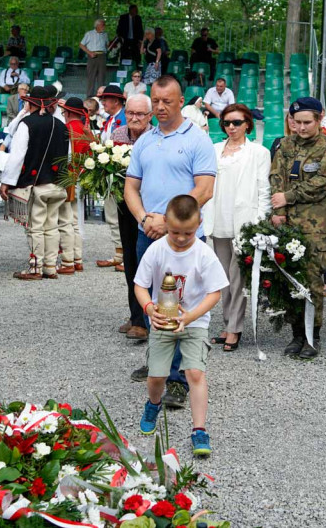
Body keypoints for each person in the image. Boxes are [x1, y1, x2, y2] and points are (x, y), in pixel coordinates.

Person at [124, 75, 217, 407]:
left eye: (167, 101)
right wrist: (144, 219)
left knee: (183, 302)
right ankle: (159, 363)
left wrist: (169, 220)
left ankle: (178, 378)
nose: (161, 107)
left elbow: (204, 189)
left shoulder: (197, 140)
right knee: (153, 299)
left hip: (183, 238)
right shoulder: (145, 141)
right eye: (156, 101)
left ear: (181, 102)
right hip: (147, 232)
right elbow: (131, 187)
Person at [134, 194, 227, 458]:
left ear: (199, 223)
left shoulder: (204, 254)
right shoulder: (156, 250)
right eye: (175, 232)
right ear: (165, 221)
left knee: (195, 373)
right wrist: (149, 308)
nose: (182, 238)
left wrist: (190, 317)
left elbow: (215, 293)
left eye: (188, 232)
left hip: (194, 322)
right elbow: (140, 285)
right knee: (157, 376)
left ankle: (199, 430)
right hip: (162, 321)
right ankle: (153, 404)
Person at [269, 96, 326, 360]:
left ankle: (313, 335)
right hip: (287, 223)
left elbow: (322, 183)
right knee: (290, 278)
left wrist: (288, 197)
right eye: (296, 122)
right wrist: (279, 211)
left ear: (319, 119)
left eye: (307, 122)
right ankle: (297, 333)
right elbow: (276, 176)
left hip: (315, 226)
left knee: (312, 281)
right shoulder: (285, 145)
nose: (301, 128)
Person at [206, 104, 271, 352]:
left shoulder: (259, 152)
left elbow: (264, 190)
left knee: (238, 278)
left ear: (247, 124)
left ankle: (235, 327)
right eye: (226, 123)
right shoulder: (214, 150)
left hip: (245, 221)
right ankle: (227, 324)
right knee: (222, 277)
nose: (231, 127)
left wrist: (259, 223)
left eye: (236, 122)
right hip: (218, 219)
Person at [0, 87, 69, 279]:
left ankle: (36, 267)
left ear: (32, 104)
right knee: (52, 225)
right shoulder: (61, 125)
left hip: (36, 184)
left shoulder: (27, 124)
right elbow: (68, 155)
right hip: (57, 183)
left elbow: (17, 155)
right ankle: (50, 266)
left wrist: (6, 181)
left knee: (35, 226)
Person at [114, 94, 156, 342]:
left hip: (150, 206)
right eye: (130, 113)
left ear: (150, 115)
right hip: (125, 204)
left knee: (147, 260)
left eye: (140, 114)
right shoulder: (117, 134)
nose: (135, 118)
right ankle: (136, 314)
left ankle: (146, 318)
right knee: (130, 259)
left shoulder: (156, 137)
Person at [57, 97, 91, 276]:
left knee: (66, 221)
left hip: (67, 178)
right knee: (76, 221)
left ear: (68, 112)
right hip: (83, 177)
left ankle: (68, 260)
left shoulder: (66, 129)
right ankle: (77, 259)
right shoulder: (86, 130)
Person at [96, 85, 128, 271]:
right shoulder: (110, 119)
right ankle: (119, 253)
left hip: (121, 174)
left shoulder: (124, 119)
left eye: (105, 99)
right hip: (110, 172)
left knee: (122, 215)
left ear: (116, 101)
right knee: (112, 214)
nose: (102, 102)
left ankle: (126, 254)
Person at [80, 19, 113, 96]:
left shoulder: (105, 34)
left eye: (104, 25)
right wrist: (89, 53)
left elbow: (107, 45)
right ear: (97, 25)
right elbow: (81, 45)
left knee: (102, 76)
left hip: (102, 55)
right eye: (102, 25)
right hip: (92, 56)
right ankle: (89, 96)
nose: (104, 27)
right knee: (91, 76)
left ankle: (101, 95)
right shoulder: (89, 34)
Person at [112, 4, 144, 68]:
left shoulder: (138, 18)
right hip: (125, 40)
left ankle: (136, 69)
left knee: (136, 56)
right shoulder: (123, 17)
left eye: (136, 10)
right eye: (134, 10)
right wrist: (120, 38)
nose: (136, 11)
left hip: (135, 41)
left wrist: (140, 41)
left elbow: (140, 30)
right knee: (124, 55)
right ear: (130, 10)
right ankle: (123, 69)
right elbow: (119, 29)